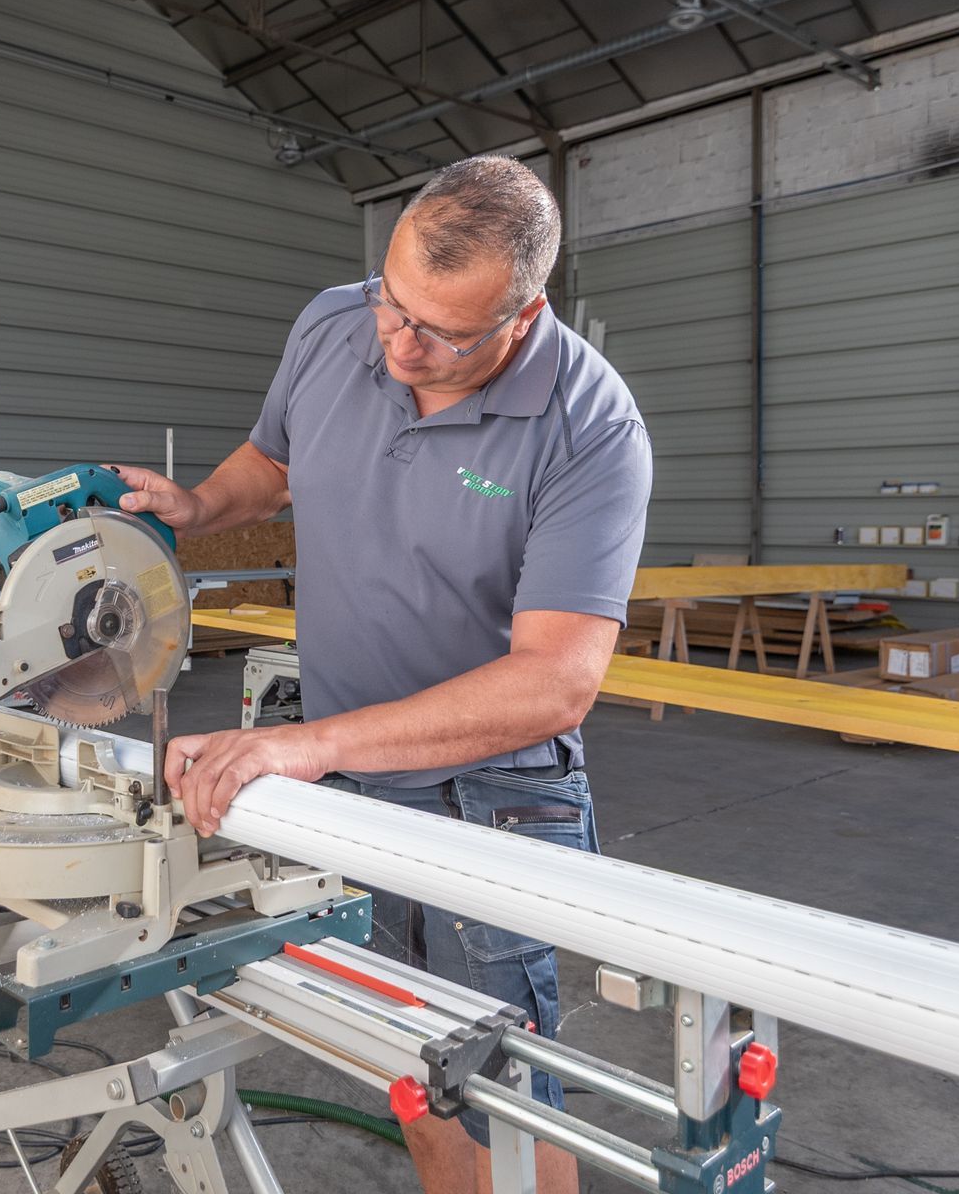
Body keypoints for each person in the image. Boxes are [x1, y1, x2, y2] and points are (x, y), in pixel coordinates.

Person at [114, 154, 652, 1194]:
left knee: (503, 1086)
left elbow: (553, 683)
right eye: (393, 304)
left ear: (523, 313)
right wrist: (200, 506)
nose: (400, 345)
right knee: (411, 1063)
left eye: (442, 333)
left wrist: (306, 741)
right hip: (346, 778)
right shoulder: (335, 323)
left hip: (491, 797)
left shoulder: (591, 425)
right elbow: (271, 458)